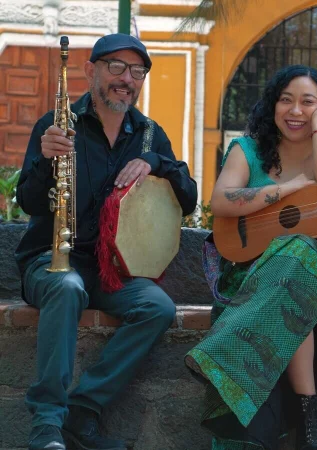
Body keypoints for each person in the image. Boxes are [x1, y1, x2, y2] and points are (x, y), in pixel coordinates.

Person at [184, 65, 317, 450]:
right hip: (254, 269)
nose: (295, 111)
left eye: (308, 103)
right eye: (286, 100)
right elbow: (220, 201)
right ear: (272, 105)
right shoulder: (247, 151)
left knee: (299, 252)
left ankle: (221, 358)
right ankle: (310, 420)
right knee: (291, 287)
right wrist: (289, 188)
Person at [16, 34, 198, 450]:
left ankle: (83, 413)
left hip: (114, 271)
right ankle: (46, 424)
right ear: (91, 70)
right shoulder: (56, 124)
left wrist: (156, 163)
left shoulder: (150, 134)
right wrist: (46, 159)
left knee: (157, 307)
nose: (127, 79)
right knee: (65, 286)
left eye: (137, 71)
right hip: (52, 259)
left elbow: (187, 198)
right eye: (117, 66)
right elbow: (27, 200)